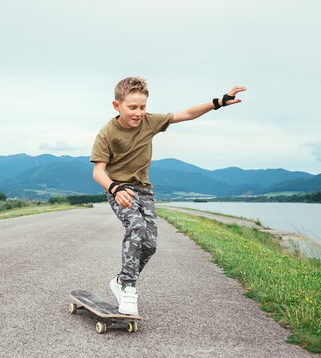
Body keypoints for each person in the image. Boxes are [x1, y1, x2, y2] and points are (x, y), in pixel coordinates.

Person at [90, 77, 246, 315]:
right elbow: (98, 172)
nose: (139, 112)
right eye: (132, 107)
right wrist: (115, 189)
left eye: (142, 107)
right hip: (121, 190)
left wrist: (218, 102)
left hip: (144, 190)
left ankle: (121, 280)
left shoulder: (150, 122)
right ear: (116, 106)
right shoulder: (107, 134)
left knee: (150, 246)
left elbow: (187, 113)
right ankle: (129, 291)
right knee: (136, 226)